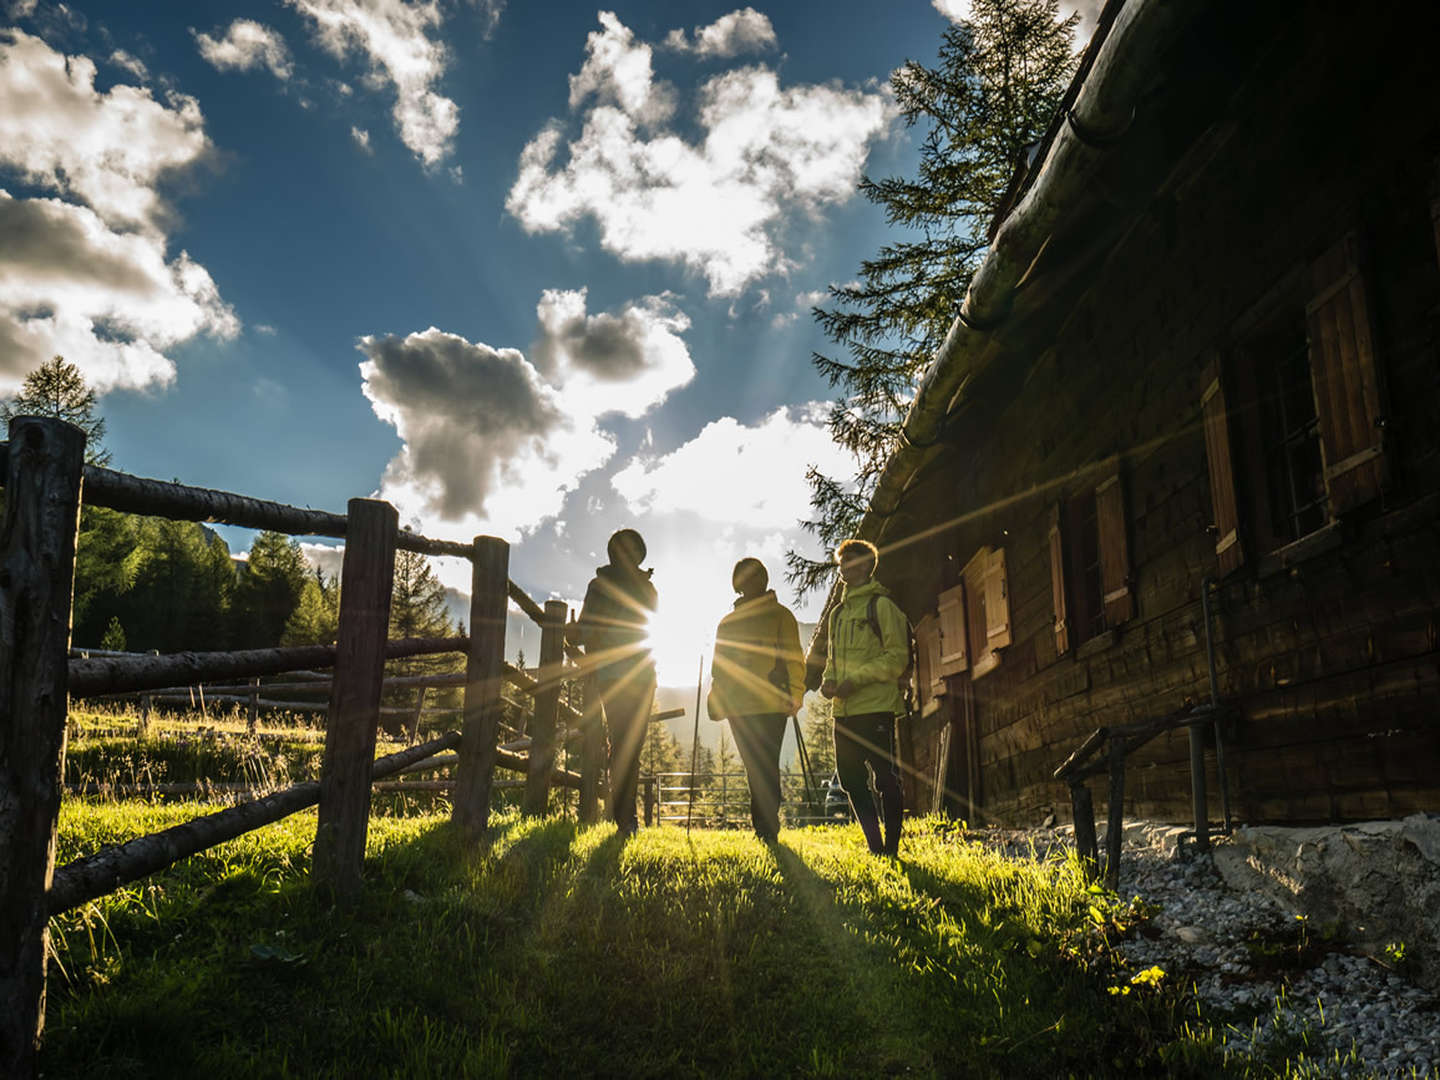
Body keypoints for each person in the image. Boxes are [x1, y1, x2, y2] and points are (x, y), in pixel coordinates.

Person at [818, 538, 907, 857]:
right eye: (841, 562)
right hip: (843, 712)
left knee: (885, 778)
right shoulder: (837, 614)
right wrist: (829, 682)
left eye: (851, 561)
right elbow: (831, 661)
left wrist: (855, 681)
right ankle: (876, 847)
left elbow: (897, 658)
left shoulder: (882, 607)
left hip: (876, 708)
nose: (844, 568)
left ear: (868, 565)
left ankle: (892, 848)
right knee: (851, 780)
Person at [705, 558, 805, 841]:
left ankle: (766, 827)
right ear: (737, 585)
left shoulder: (781, 616)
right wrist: (718, 697)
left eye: (754, 577)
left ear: (763, 579)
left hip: (772, 703)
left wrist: (795, 693)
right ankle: (765, 825)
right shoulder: (726, 623)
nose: (749, 583)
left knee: (765, 764)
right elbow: (719, 668)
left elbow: (795, 659)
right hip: (739, 706)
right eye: (744, 579)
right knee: (755, 766)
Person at [571, 528, 657, 837]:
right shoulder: (600, 587)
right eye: (622, 549)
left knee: (628, 747)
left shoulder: (647, 590)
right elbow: (585, 627)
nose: (627, 555)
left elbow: (646, 629)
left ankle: (624, 817)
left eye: (632, 549)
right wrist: (576, 634)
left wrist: (582, 634)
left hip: (641, 677)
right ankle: (625, 819)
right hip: (614, 676)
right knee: (625, 745)